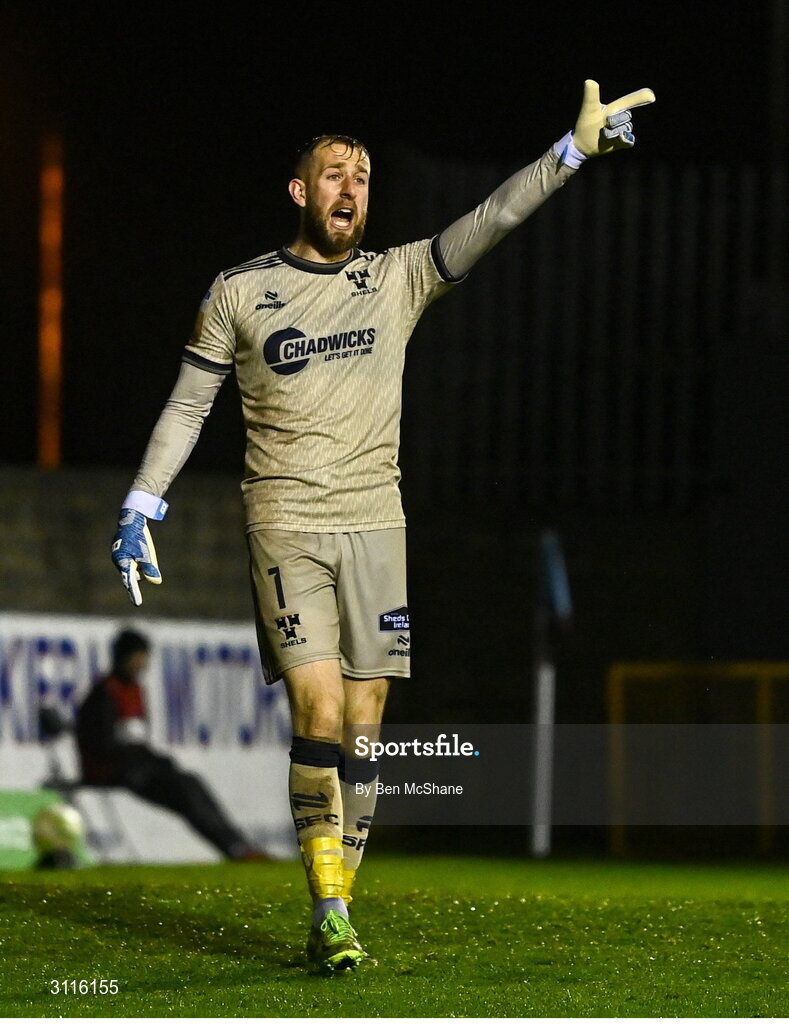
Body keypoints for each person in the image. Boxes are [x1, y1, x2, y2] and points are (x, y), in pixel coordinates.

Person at [110, 80, 655, 970]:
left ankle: (338, 908)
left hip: (377, 525)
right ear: (300, 191)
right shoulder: (240, 292)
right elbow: (187, 405)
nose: (351, 189)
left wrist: (570, 154)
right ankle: (328, 911)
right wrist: (142, 501)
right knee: (319, 711)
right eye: (334, 175)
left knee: (364, 732)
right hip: (285, 522)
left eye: (361, 175)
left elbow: (487, 221)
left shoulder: (395, 278)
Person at [75, 628, 269, 862]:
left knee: (190, 783)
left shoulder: (133, 690)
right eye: (138, 657)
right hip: (113, 770)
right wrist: (142, 760)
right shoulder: (104, 693)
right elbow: (102, 743)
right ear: (123, 657)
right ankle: (235, 848)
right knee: (183, 791)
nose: (142, 664)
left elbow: (134, 739)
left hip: (135, 766)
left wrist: (151, 759)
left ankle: (238, 844)